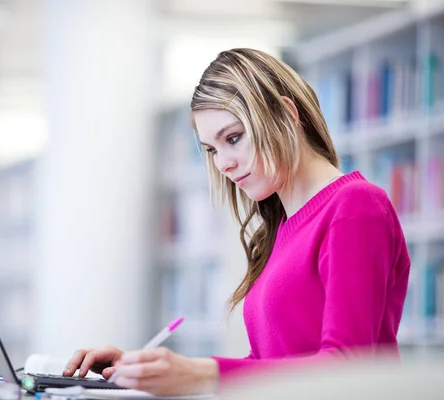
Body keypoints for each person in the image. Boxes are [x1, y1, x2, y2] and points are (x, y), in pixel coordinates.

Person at [61, 48, 411, 396]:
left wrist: (200, 373)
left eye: (233, 138)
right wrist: (151, 370)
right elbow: (271, 364)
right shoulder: (280, 231)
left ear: (287, 114)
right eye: (212, 150)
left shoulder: (355, 206)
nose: (223, 164)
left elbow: (349, 368)